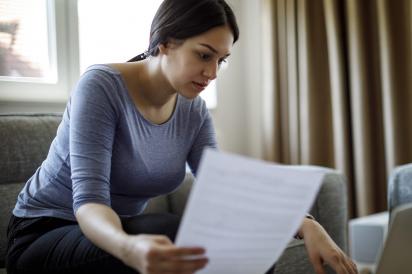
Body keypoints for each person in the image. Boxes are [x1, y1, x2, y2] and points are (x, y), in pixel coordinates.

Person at [5, 0, 358, 273]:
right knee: (171, 234)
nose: (212, 73)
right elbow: (90, 204)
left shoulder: (193, 110)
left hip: (117, 228)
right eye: (204, 55)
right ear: (165, 43)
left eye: (221, 60)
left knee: (243, 247)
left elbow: (225, 189)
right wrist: (130, 249)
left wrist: (306, 224)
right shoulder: (100, 88)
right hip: (45, 233)